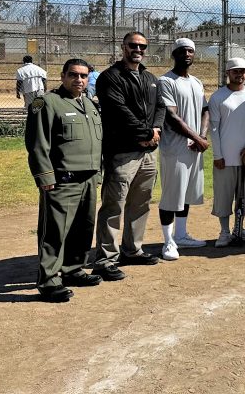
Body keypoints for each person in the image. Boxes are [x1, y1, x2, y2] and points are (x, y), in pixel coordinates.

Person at [25, 58, 103, 302]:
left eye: (83, 76)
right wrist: (44, 176)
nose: (79, 79)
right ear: (62, 76)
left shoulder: (89, 104)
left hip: (88, 178)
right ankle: (48, 281)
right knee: (55, 232)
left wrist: (98, 172)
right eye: (73, 74)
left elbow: (96, 142)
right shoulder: (46, 102)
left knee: (83, 228)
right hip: (62, 180)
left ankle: (73, 269)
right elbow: (37, 143)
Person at [92, 31, 165, 282]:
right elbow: (118, 110)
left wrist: (156, 130)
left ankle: (132, 250)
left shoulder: (150, 78)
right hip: (122, 152)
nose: (138, 50)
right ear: (123, 47)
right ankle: (105, 259)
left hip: (148, 152)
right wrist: (145, 133)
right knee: (114, 205)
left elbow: (160, 107)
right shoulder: (110, 77)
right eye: (133, 45)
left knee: (140, 203)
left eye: (142, 46)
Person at [157, 38, 209, 261]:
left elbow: (205, 110)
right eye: (182, 51)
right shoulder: (166, 81)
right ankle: (168, 242)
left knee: (186, 193)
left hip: (194, 147)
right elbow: (171, 116)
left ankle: (181, 235)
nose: (187, 54)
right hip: (174, 149)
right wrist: (196, 137)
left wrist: (202, 137)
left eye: (190, 51)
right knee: (171, 196)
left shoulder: (196, 82)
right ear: (174, 54)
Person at [208, 57, 245, 248]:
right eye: (235, 71)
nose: (239, 74)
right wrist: (218, 155)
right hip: (225, 158)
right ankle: (224, 232)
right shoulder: (218, 97)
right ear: (228, 73)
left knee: (244, 197)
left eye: (242, 71)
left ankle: (239, 229)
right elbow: (214, 128)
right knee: (223, 197)